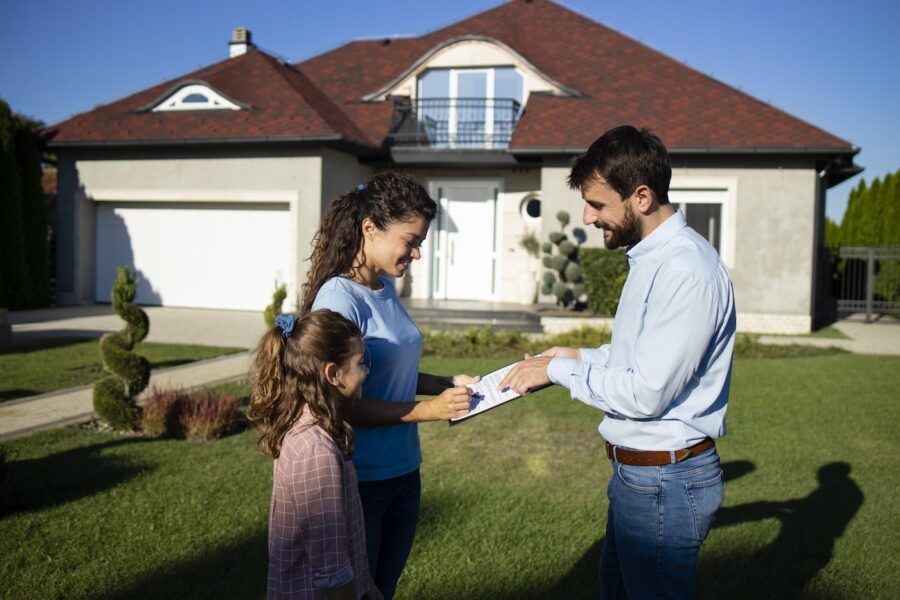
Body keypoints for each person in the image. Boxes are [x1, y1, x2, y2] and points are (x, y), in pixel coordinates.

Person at [500, 125, 736, 598]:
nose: (587, 217)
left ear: (642, 197)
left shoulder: (685, 270)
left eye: (598, 204)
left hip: (665, 482)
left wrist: (557, 372)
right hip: (644, 479)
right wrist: (573, 356)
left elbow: (647, 393)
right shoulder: (652, 259)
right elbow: (636, 358)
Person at [301, 172, 477, 600]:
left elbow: (388, 371)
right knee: (360, 594)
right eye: (410, 241)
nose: (416, 253)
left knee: (384, 589)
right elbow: (339, 404)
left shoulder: (382, 288)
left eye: (420, 243)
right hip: (362, 479)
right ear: (370, 229)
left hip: (403, 473)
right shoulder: (339, 300)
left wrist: (446, 383)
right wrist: (429, 411)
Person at [248, 309, 382, 600]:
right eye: (360, 363)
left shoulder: (313, 426)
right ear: (332, 374)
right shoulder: (315, 450)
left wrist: (368, 586)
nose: (366, 371)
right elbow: (332, 569)